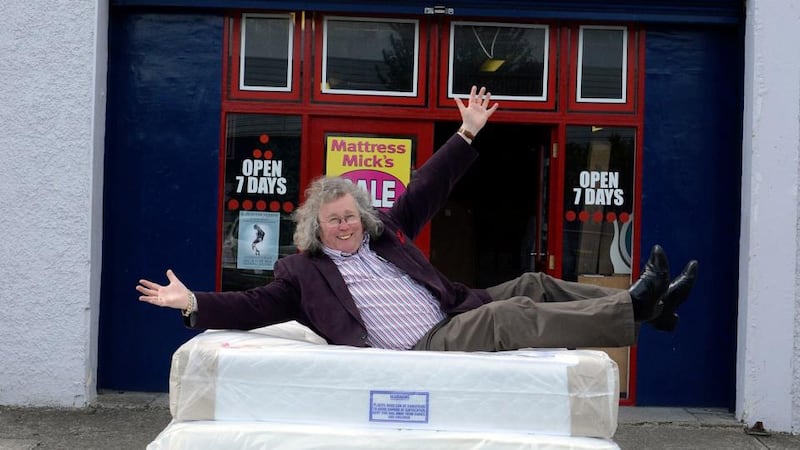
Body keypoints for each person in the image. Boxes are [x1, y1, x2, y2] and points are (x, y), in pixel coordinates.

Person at [137, 86, 698, 352]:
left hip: (453, 310)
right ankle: (638, 308)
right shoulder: (301, 274)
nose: (348, 225)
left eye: (351, 215)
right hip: (421, 348)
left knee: (529, 281)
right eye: (335, 221)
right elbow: (252, 306)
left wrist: (468, 131)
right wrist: (190, 303)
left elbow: (427, 185)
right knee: (516, 315)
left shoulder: (382, 233)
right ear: (315, 228)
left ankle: (654, 307)